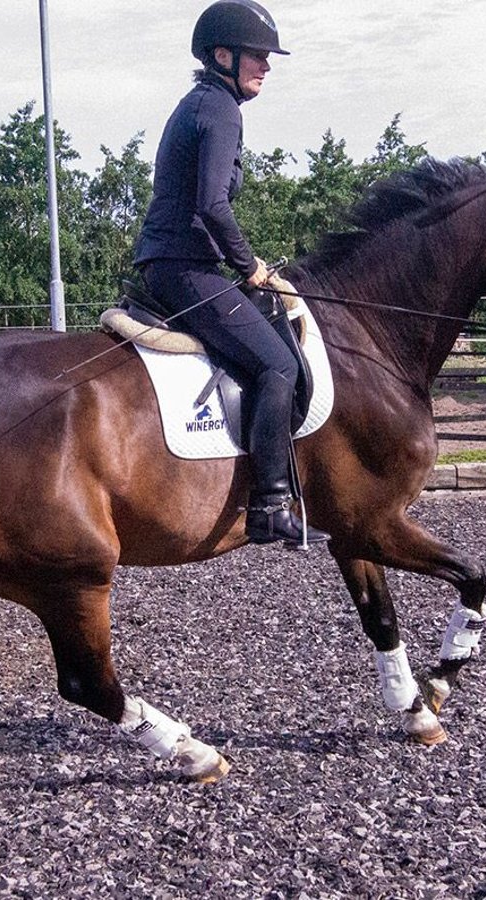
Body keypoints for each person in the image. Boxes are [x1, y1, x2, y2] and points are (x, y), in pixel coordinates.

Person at [134, 0, 329, 546]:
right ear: (224, 55)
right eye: (258, 56)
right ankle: (269, 502)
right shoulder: (221, 110)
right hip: (184, 268)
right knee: (278, 364)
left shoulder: (200, 102)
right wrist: (250, 268)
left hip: (169, 262)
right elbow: (213, 205)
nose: (266, 66)